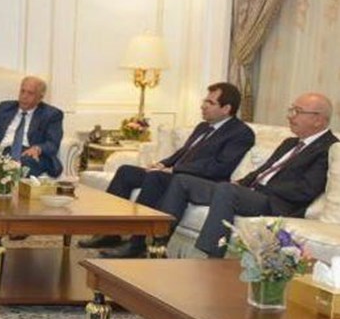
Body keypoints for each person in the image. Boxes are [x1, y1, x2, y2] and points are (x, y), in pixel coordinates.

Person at [158, 92, 337, 258]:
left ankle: (211, 258)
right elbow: (263, 170)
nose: (290, 116)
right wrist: (241, 183)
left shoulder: (329, 148)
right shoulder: (290, 142)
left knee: (227, 191)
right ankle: (157, 245)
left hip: (276, 203)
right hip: (253, 194)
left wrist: (259, 187)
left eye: (297, 111)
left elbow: (306, 190)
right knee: (183, 181)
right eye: (291, 110)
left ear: (318, 120)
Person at [91, 82, 254, 258]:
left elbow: (219, 167)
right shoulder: (203, 127)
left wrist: (175, 169)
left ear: (226, 108)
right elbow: (184, 152)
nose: (203, 106)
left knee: (155, 178)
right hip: (177, 173)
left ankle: (136, 243)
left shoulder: (240, 133)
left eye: (210, 103)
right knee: (126, 172)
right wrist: (163, 164)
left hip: (200, 182)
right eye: (204, 101)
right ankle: (109, 233)